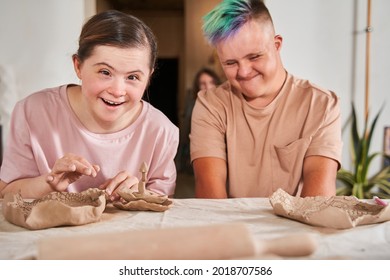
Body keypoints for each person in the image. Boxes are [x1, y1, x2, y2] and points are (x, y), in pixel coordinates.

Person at [0, 10, 179, 200]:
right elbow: (5, 193)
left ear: (148, 77)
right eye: (105, 72)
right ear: (78, 66)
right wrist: (49, 182)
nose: (117, 91)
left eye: (133, 77)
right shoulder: (32, 112)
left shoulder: (161, 131)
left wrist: (140, 195)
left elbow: (162, 208)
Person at [190, 0, 342, 198]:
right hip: (231, 226)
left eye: (254, 57)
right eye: (230, 63)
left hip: (296, 226)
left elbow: (316, 203)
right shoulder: (210, 105)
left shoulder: (321, 105)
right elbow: (211, 195)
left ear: (276, 44)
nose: (243, 72)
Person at [177, 68, 221, 173]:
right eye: (203, 83)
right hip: (198, 153)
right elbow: (186, 132)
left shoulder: (224, 104)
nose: (208, 87)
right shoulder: (194, 105)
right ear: (198, 86)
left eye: (211, 82)